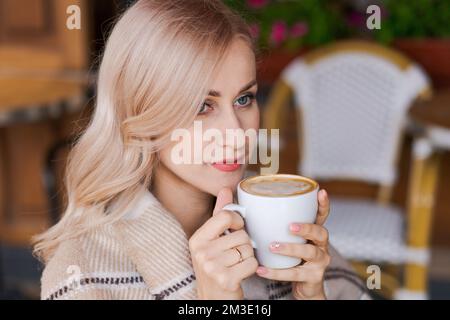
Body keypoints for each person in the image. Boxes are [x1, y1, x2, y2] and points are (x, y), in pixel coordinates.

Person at [33, 0, 369, 300]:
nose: (236, 134)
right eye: (202, 106)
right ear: (140, 114)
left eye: (244, 99)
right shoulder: (79, 277)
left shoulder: (281, 228)